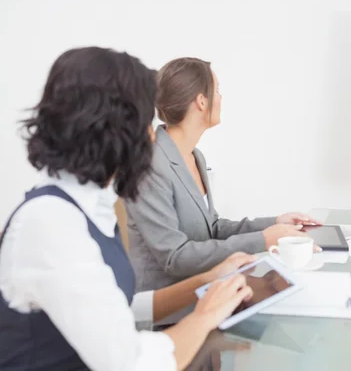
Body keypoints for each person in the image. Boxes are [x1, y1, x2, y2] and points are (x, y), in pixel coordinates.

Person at [0, 47, 257, 371]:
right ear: (112, 128)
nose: (152, 134)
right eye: (145, 121)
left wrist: (208, 281)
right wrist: (205, 316)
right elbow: (130, 363)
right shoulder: (50, 222)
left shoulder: (89, 207)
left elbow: (117, 307)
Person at [124, 57, 321, 325]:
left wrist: (275, 224)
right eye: (217, 90)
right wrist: (263, 240)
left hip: (204, 300)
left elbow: (212, 228)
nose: (221, 97)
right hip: (164, 317)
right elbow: (176, 257)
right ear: (201, 101)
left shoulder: (195, 157)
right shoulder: (151, 165)